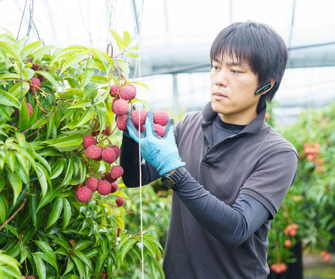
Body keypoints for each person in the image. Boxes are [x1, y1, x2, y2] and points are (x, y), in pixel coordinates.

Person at [120, 21, 298, 279]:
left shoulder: (277, 153)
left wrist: (176, 172)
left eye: (235, 71)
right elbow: (134, 177)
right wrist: (130, 134)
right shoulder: (191, 124)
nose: (219, 80)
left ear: (266, 85)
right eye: (215, 66)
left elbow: (236, 229)